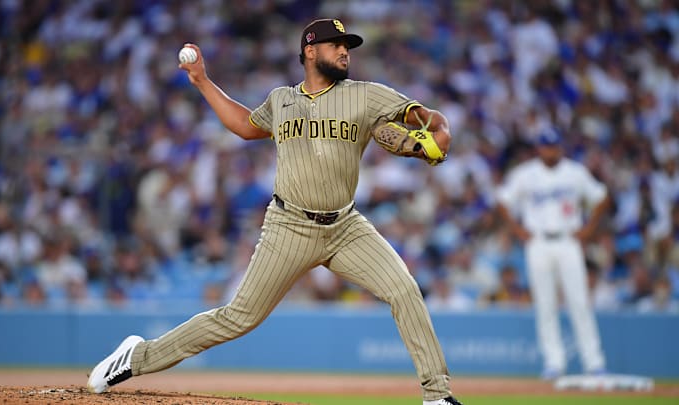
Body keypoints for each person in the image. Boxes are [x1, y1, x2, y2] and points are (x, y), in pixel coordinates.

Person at [87, 19, 461, 405]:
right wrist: (201, 80)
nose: (345, 51)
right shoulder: (281, 99)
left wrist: (437, 139)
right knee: (237, 318)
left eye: (348, 46)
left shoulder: (367, 95)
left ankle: (437, 396)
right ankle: (137, 356)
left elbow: (434, 121)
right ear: (311, 51)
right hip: (290, 225)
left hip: (347, 227)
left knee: (404, 290)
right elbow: (245, 126)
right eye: (336, 45)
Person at [496, 128, 610, 379]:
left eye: (554, 146)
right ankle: (554, 363)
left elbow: (601, 197)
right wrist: (517, 229)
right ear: (539, 148)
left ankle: (594, 362)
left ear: (560, 147)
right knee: (545, 305)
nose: (550, 150)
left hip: (568, 240)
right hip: (538, 241)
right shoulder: (525, 174)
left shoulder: (574, 172)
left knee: (579, 302)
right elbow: (503, 200)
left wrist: (589, 228)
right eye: (546, 146)